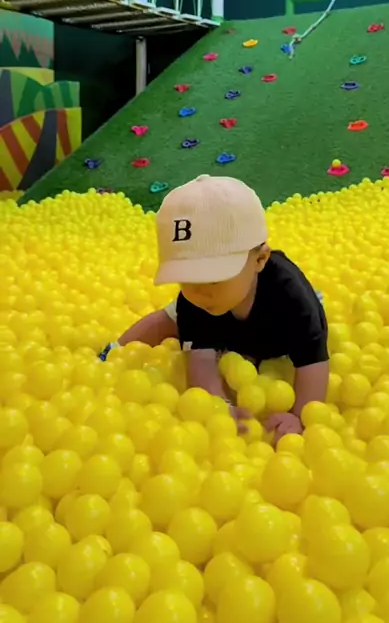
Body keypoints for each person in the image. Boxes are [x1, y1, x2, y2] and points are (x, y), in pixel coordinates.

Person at [100, 174, 329, 441]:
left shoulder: (290, 297)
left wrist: (299, 415)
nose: (199, 289)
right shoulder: (198, 298)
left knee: (304, 324)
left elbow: (313, 359)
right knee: (170, 318)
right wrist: (222, 406)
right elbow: (201, 365)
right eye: (187, 277)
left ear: (259, 260)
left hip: (274, 331)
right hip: (224, 323)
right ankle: (112, 350)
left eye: (213, 277)